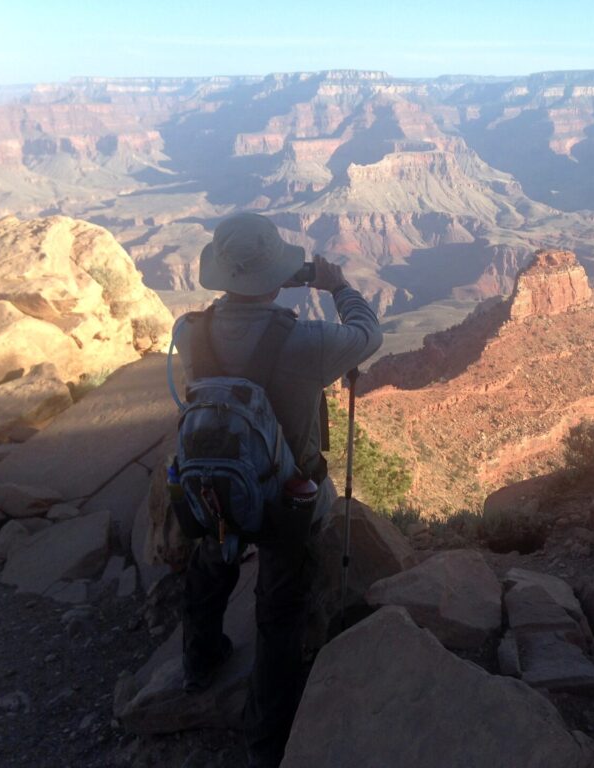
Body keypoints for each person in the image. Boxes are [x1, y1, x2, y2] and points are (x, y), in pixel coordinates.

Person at [172, 212, 382, 767]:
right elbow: (368, 335)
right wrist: (337, 286)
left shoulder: (186, 332)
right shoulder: (307, 342)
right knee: (280, 608)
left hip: (215, 491)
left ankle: (199, 662)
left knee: (211, 561)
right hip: (288, 500)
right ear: (278, 274)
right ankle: (266, 743)